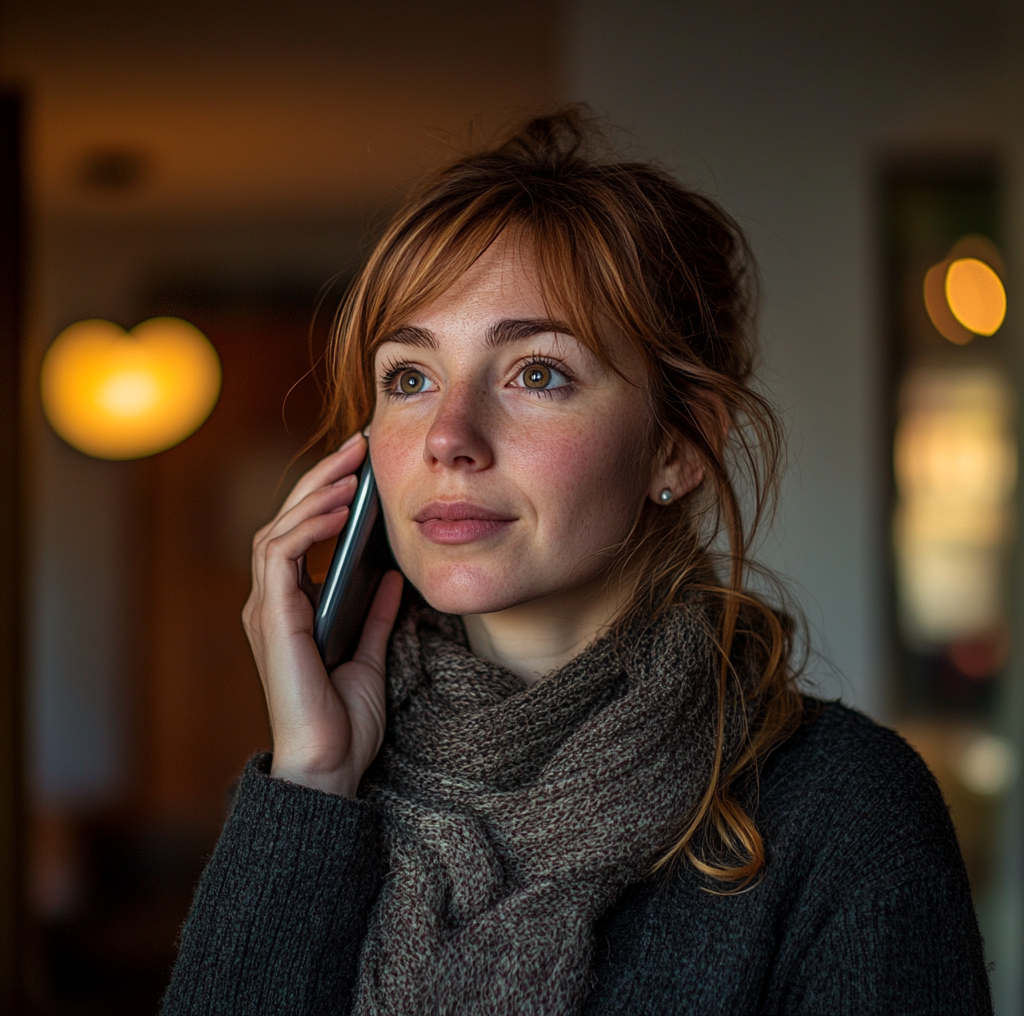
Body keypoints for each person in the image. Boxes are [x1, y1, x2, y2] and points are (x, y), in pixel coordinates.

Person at [161, 109, 991, 1016]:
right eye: (408, 377)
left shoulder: (845, 814)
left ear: (676, 447)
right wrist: (311, 782)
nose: (448, 437)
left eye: (537, 373)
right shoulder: (322, 788)